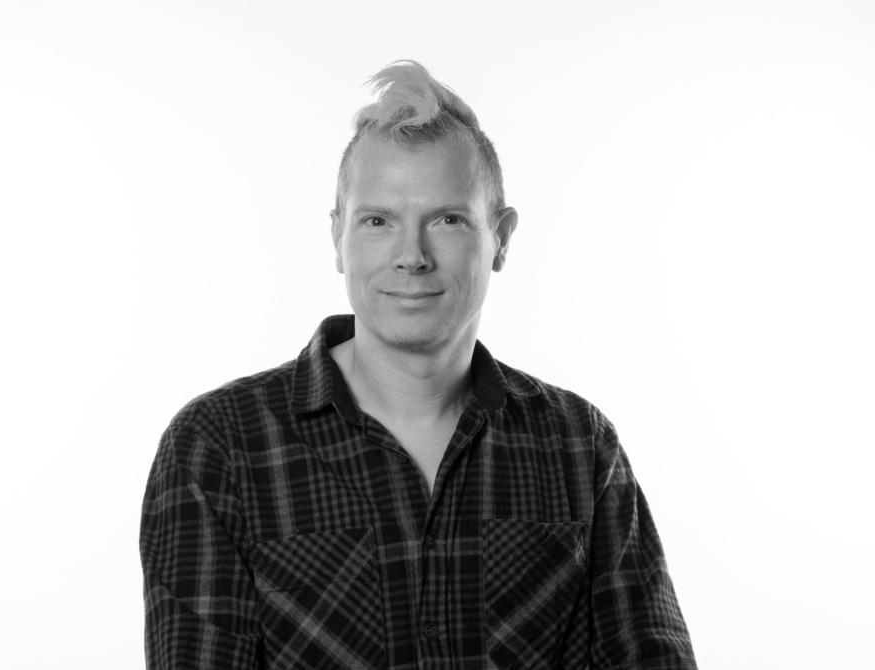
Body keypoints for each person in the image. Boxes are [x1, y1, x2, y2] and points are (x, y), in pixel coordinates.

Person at [140, 60, 697, 669]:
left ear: (502, 238)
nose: (412, 256)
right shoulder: (219, 445)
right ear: (338, 237)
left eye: (448, 220)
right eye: (378, 221)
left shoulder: (578, 445)